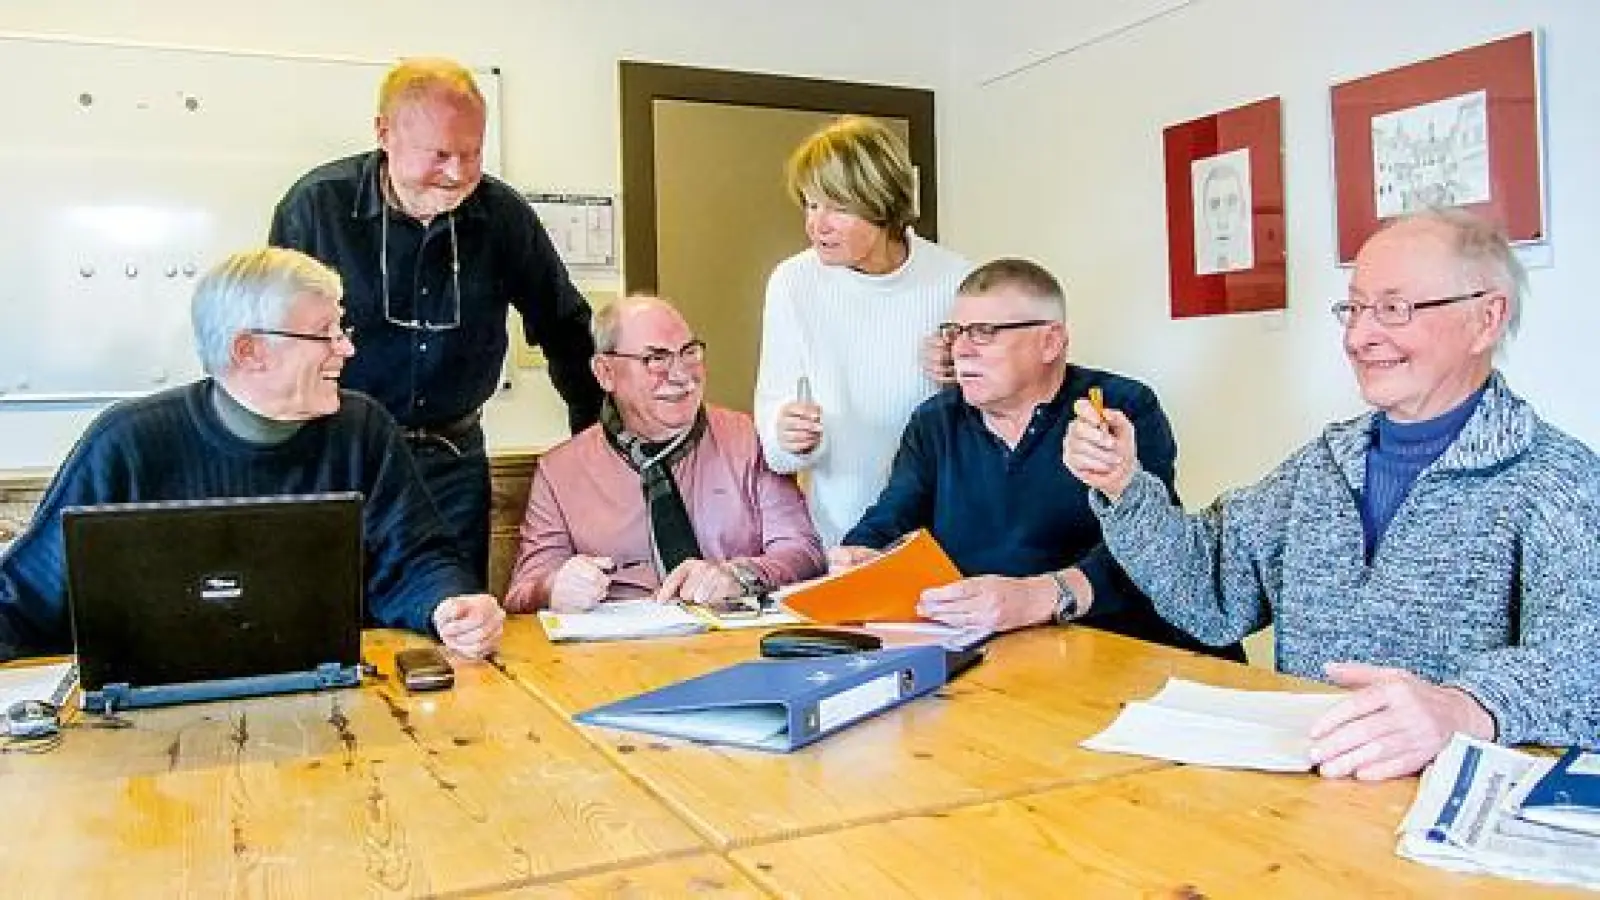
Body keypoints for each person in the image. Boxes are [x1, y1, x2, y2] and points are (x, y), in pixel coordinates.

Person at [1065, 209, 1600, 780]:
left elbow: (1583, 665)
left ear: (1486, 319)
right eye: (1355, 308)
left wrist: (1464, 709)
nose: (1358, 336)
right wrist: (1123, 484)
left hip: (1451, 813)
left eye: (1394, 309)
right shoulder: (1323, 465)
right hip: (1307, 799)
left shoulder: (1560, 480)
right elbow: (1210, 590)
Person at [0, 248, 506, 660]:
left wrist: (450, 605)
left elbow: (416, 557)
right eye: (324, 334)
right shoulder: (128, 443)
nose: (347, 350)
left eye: (341, 331)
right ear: (249, 351)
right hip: (152, 706)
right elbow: (27, 594)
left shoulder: (362, 429)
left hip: (327, 692)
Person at [269, 57, 603, 588]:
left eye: (472, 154)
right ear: (384, 133)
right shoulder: (316, 207)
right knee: (333, 606)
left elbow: (566, 329)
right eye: (441, 154)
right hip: (338, 454)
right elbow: (277, 341)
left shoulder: (502, 216)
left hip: (450, 461)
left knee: (454, 611)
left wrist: (595, 445)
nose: (458, 174)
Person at [835, 259, 1237, 657]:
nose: (960, 350)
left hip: (1120, 647)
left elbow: (1152, 549)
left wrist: (1036, 597)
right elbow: (891, 517)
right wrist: (861, 555)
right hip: (990, 651)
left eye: (984, 333)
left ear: (1050, 342)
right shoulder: (935, 421)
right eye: (955, 332)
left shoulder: (1119, 409)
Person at [506, 296, 825, 612]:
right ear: (605, 372)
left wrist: (739, 576)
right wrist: (552, 588)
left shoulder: (747, 439)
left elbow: (804, 552)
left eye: (690, 353)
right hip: (619, 641)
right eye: (656, 359)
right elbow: (522, 592)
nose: (681, 375)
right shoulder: (561, 471)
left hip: (733, 636)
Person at [754, 115, 971, 546]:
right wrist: (787, 433)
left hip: (945, 530)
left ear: (882, 203)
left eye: (836, 208)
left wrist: (960, 375)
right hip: (841, 533)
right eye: (810, 205)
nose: (817, 225)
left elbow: (1002, 414)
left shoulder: (957, 280)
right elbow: (774, 435)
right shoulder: (793, 282)